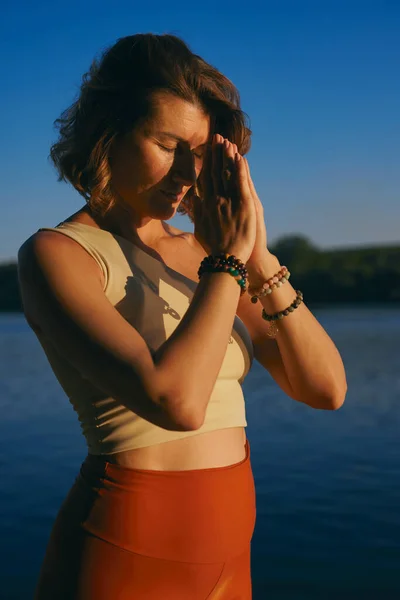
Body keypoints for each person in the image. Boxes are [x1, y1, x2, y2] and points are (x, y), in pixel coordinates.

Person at [18, 33, 347, 600]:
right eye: (169, 144)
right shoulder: (58, 254)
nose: (189, 172)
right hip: (126, 554)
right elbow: (177, 402)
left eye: (200, 153)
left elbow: (325, 388)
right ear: (108, 134)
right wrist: (225, 259)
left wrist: (257, 251)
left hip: (230, 557)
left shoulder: (206, 258)